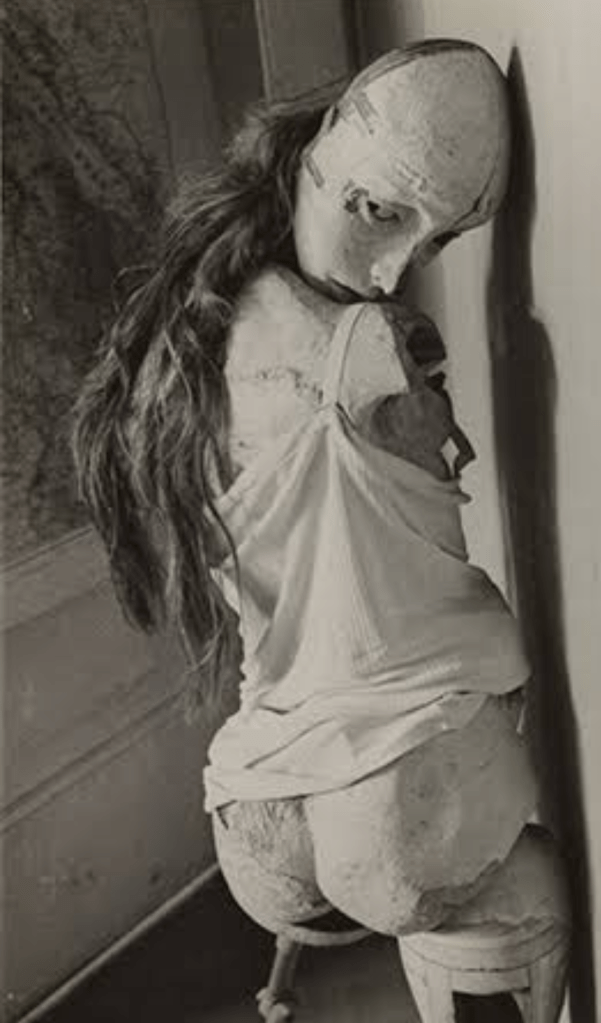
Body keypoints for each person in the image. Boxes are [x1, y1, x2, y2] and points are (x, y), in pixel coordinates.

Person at [73, 39, 548, 942]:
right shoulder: (376, 345)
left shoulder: (190, 333)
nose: (393, 272)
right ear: (322, 145)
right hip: (412, 757)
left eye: (436, 239)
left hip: (260, 788)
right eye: (379, 211)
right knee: (505, 882)